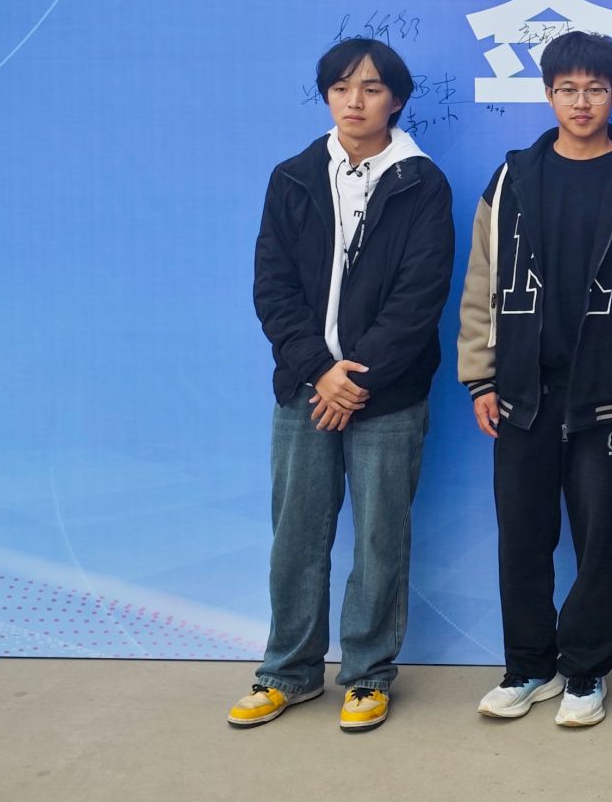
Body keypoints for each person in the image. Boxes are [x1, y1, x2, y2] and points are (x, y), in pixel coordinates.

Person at [458, 31, 612, 728]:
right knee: (522, 536)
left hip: (609, 395)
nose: (581, 102)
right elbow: (481, 282)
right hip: (522, 392)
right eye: (567, 89)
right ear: (548, 94)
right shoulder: (512, 178)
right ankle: (528, 666)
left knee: (601, 539)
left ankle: (585, 670)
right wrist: (480, 377)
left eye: (595, 89)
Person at [230, 38, 454, 733]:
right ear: (327, 95)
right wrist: (318, 370)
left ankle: (367, 675)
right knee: (296, 534)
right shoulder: (293, 177)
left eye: (371, 88)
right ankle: (288, 672)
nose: (355, 101)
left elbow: (420, 297)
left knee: (381, 537)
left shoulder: (422, 182)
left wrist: (354, 378)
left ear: (396, 99)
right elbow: (272, 286)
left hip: (387, 393)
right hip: (305, 387)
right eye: (341, 87)